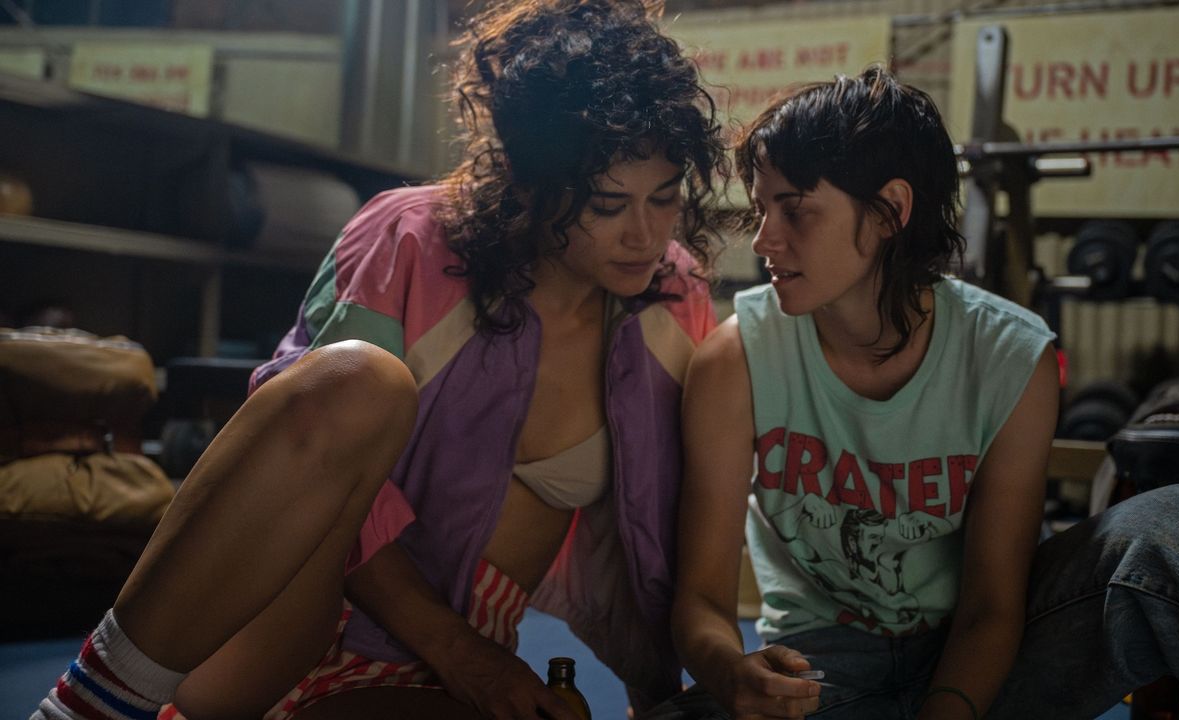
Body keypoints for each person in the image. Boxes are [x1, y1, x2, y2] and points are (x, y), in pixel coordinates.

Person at [32, 1, 725, 718]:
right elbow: (304, 450)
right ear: (529, 180)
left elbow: (660, 533)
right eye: (608, 204)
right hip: (277, 614)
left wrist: (669, 697)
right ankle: (83, 707)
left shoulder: (673, 303)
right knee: (355, 379)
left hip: (425, 667)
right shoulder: (408, 237)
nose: (645, 234)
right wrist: (463, 655)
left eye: (665, 197)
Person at [653, 66, 1179, 720]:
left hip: (988, 656)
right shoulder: (737, 359)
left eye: (795, 209)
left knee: (1168, 526)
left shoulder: (1011, 357)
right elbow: (699, 602)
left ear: (891, 209)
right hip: (821, 672)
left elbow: (991, 608)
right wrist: (734, 675)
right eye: (761, 209)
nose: (763, 240)